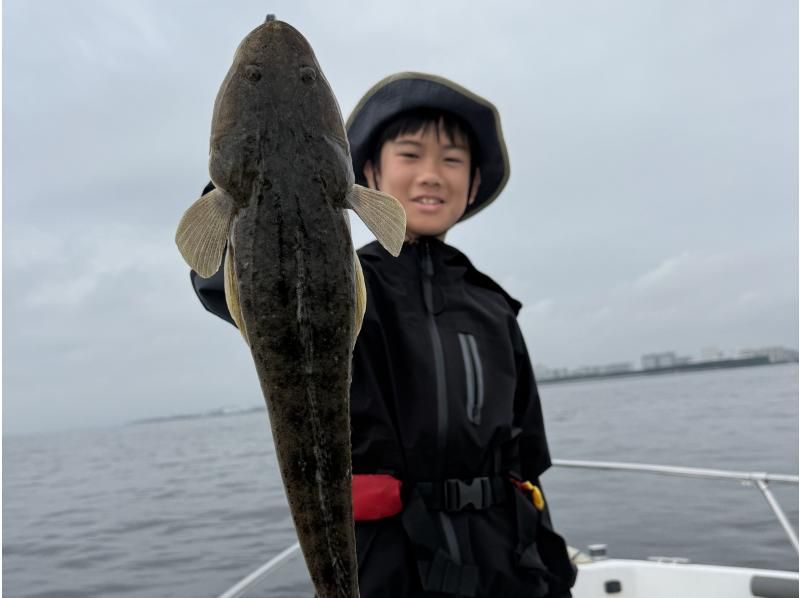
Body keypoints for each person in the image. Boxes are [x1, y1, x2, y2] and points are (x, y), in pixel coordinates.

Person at [190, 72, 576, 597]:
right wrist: (242, 182)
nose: (432, 175)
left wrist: (553, 571)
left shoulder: (494, 307)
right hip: (390, 567)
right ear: (366, 171)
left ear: (475, 181)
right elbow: (223, 280)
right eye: (411, 155)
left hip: (505, 561)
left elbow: (528, 460)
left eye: (453, 160)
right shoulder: (342, 279)